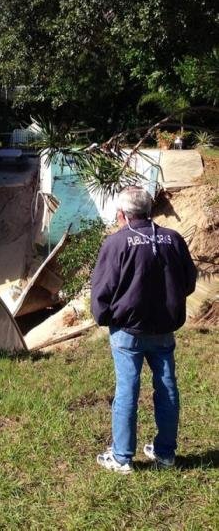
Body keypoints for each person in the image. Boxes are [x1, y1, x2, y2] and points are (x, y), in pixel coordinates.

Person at [91, 186, 197, 473]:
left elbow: (103, 288)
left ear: (122, 214)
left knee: (127, 389)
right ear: (149, 211)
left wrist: (104, 317)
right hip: (164, 329)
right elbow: (189, 281)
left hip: (127, 331)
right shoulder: (172, 239)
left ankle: (122, 456)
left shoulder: (116, 243)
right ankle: (165, 453)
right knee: (167, 387)